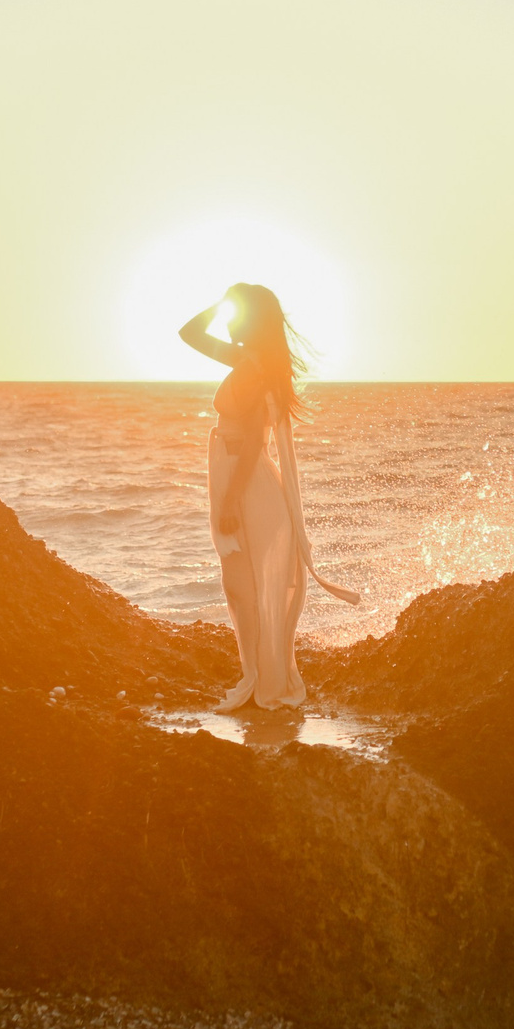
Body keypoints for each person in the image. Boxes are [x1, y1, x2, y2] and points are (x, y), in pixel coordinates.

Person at [177, 283, 359, 711]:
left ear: (253, 321)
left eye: (240, 315)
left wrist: (228, 502)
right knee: (241, 583)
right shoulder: (247, 360)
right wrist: (224, 305)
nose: (232, 323)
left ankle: (265, 681)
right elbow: (189, 333)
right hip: (237, 476)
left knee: (247, 584)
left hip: (248, 483)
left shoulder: (257, 370)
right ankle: (258, 676)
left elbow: (255, 444)